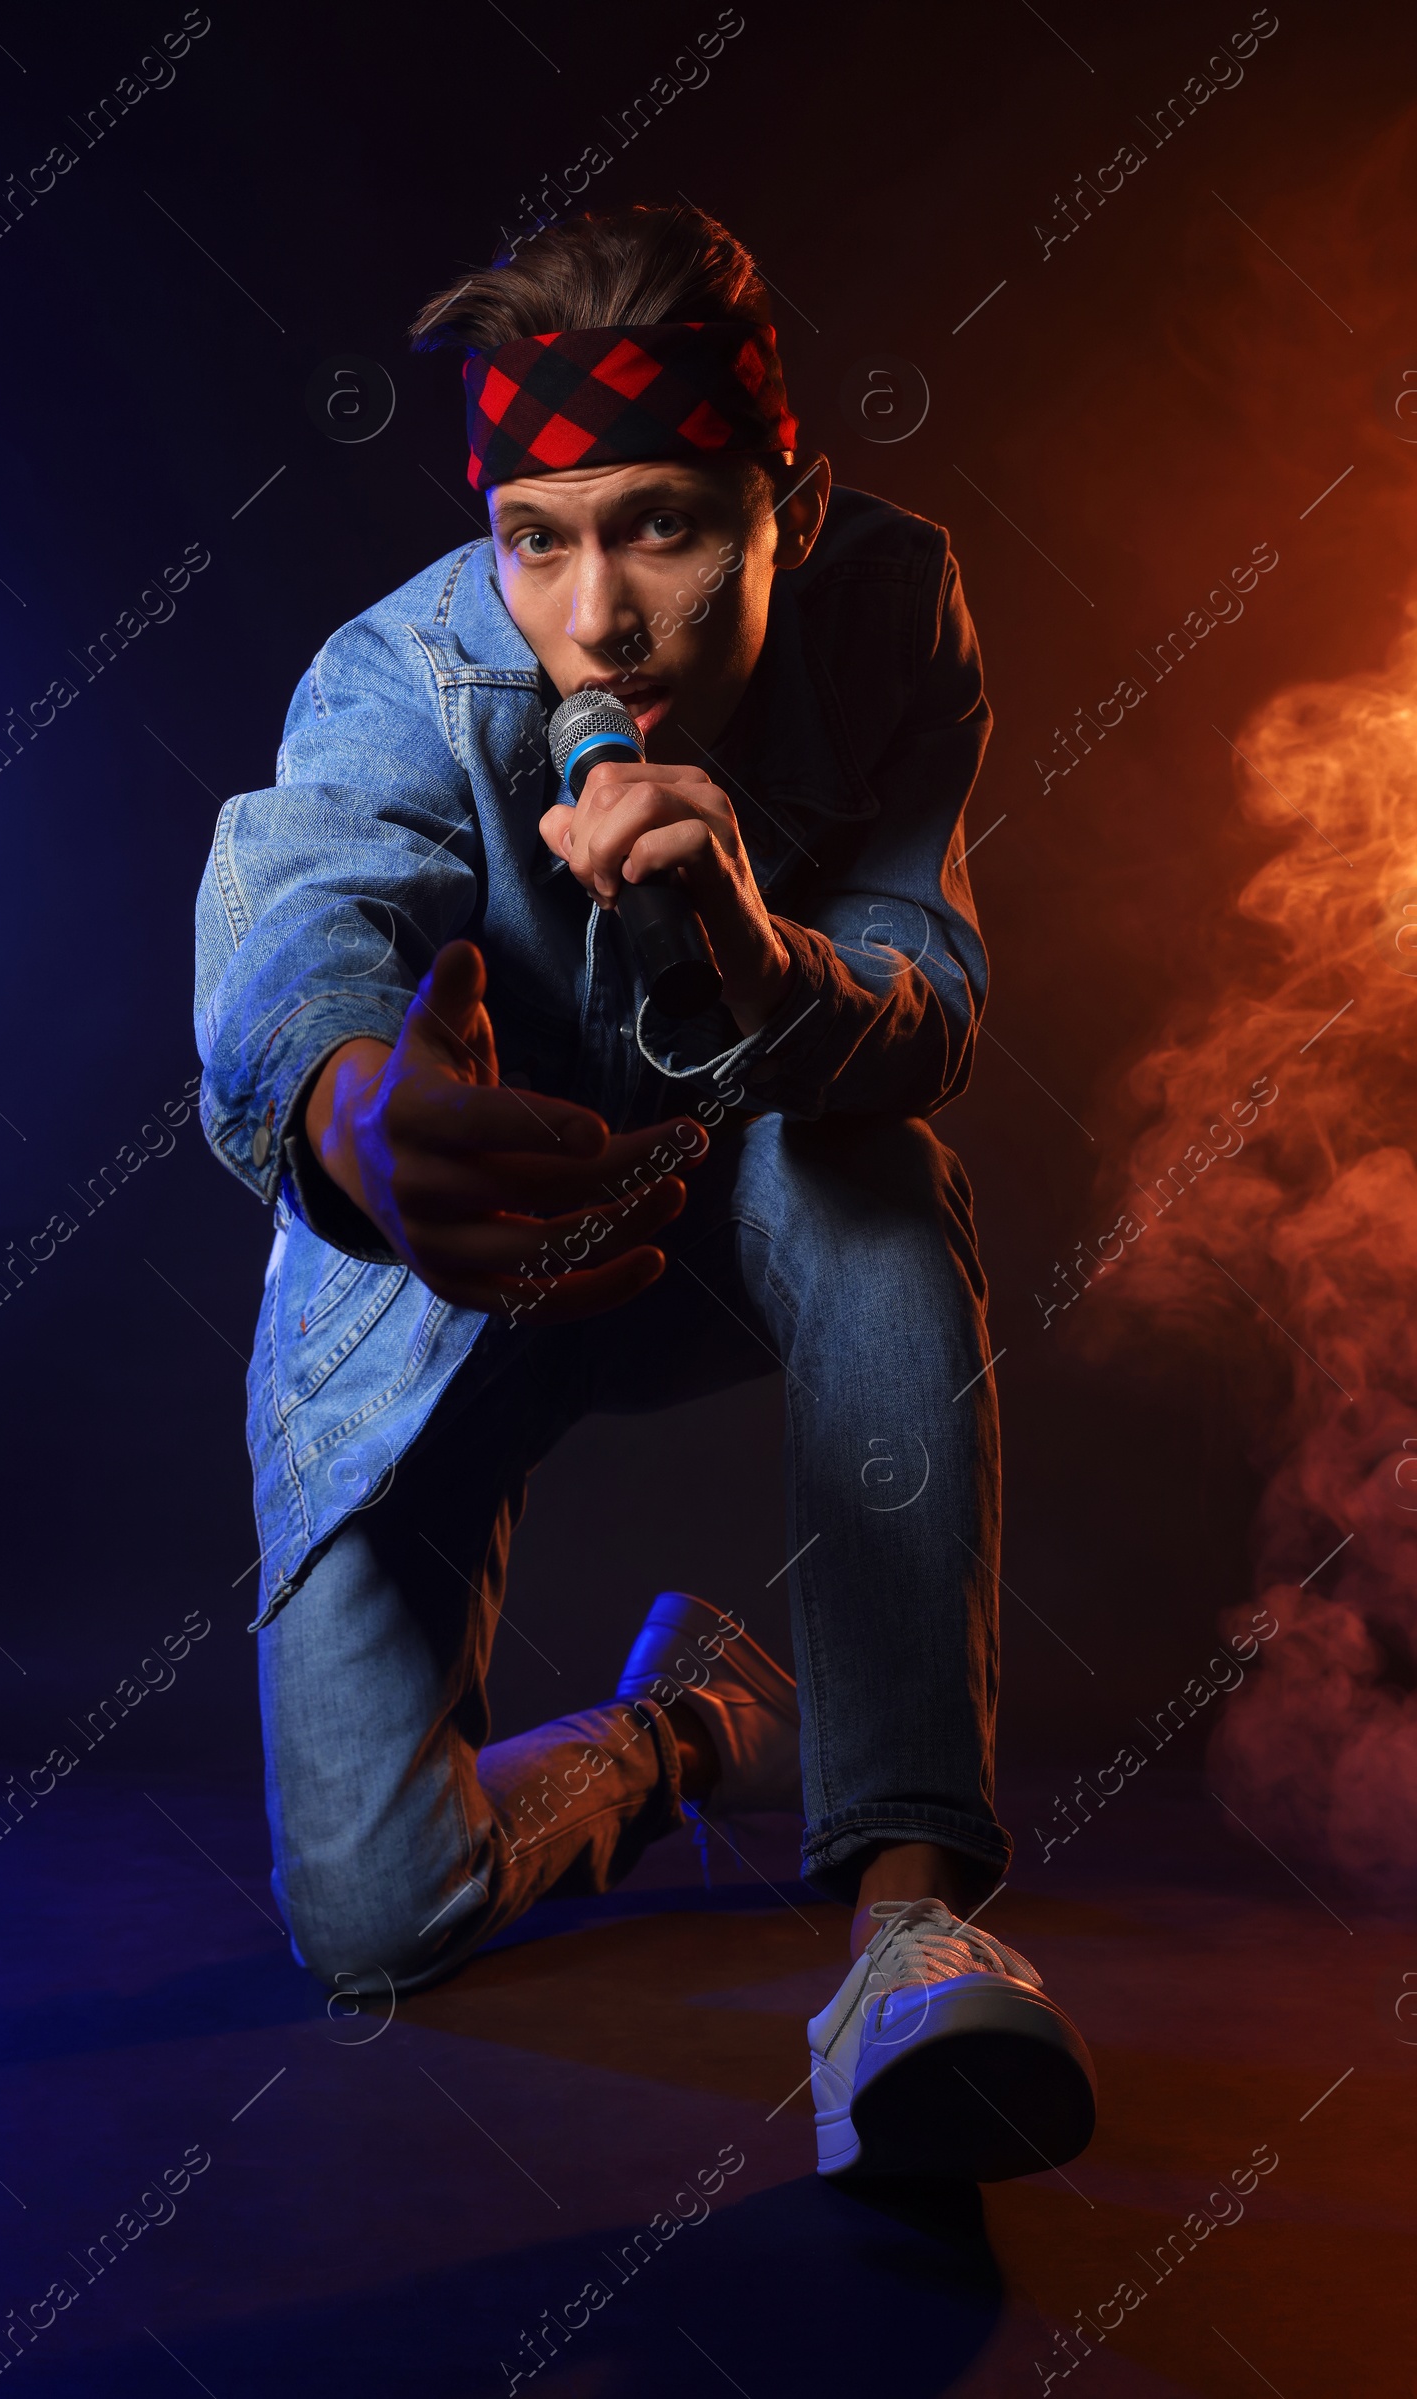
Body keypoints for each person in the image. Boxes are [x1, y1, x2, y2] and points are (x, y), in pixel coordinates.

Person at [193, 201, 1095, 2180]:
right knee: (370, 1925)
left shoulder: (891, 612)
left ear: (789, 501)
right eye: (539, 538)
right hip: (454, 1267)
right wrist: (358, 1116)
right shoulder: (401, 678)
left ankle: (903, 1937)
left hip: (740, 1209)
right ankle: (684, 1721)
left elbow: (928, 1009)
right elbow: (306, 911)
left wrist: (765, 961)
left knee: (880, 1176)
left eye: (668, 527)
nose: (595, 622)